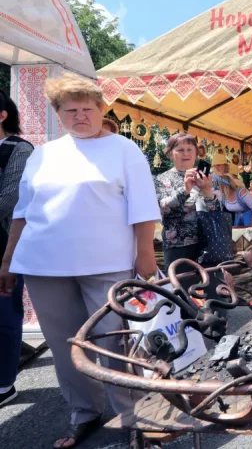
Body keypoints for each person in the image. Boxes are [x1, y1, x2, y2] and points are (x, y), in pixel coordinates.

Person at [0, 74, 162, 448]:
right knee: (65, 345)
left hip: (108, 264)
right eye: (70, 110)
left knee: (115, 344)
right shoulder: (43, 154)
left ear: (101, 109)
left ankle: (134, 417)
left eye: (87, 108)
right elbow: (23, 212)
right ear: (58, 115)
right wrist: (8, 260)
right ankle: (84, 414)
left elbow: (142, 208)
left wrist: (145, 254)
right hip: (44, 266)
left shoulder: (124, 150)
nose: (80, 116)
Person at [0, 94, 33, 408]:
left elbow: (10, 198)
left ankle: (4, 384)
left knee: (4, 315)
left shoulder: (19, 150)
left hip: (5, 245)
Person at [154, 133, 219, 272]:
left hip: (208, 244)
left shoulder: (207, 178)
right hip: (178, 246)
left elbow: (217, 213)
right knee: (181, 291)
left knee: (214, 290)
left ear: (196, 153)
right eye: (180, 150)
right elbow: (163, 210)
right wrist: (185, 190)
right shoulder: (161, 179)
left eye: (190, 149)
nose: (186, 154)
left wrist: (207, 191)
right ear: (170, 154)